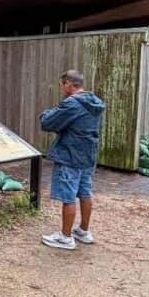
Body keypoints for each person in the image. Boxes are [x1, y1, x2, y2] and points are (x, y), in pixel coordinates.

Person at [38, 70, 105, 251]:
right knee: (84, 192)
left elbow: (47, 122)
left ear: (68, 84)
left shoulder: (72, 104)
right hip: (87, 155)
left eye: (61, 85)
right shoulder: (94, 102)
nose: (61, 89)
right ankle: (83, 230)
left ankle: (65, 237)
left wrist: (47, 113)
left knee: (68, 196)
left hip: (70, 154)